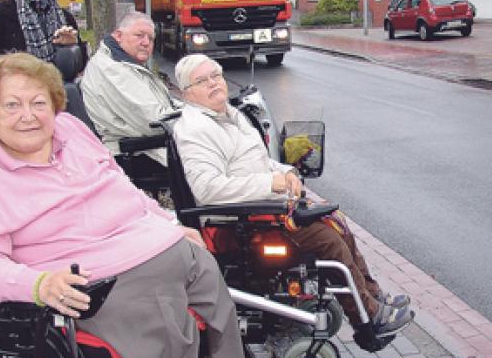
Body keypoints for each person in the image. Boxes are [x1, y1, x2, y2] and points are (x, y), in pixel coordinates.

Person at [0, 53, 245, 358]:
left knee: (206, 269)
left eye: (40, 103)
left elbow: (122, 186)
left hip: (149, 242)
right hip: (98, 279)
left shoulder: (70, 129)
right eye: (12, 105)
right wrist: (39, 284)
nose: (29, 115)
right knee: (166, 327)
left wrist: (167, 222)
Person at [171, 54, 413, 340]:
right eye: (203, 80)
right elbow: (208, 188)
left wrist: (285, 172)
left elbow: (259, 161)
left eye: (216, 76)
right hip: (237, 225)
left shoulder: (229, 115)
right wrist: (270, 184)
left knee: (336, 221)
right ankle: (369, 322)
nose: (213, 84)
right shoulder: (196, 129)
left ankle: (372, 298)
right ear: (188, 92)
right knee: (328, 242)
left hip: (262, 211)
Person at [81, 11, 180, 171]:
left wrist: (197, 112)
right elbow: (153, 122)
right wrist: (195, 123)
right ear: (118, 36)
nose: (146, 42)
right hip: (137, 152)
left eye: (151, 38)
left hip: (151, 144)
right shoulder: (112, 70)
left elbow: (166, 104)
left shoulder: (126, 64)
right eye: (139, 35)